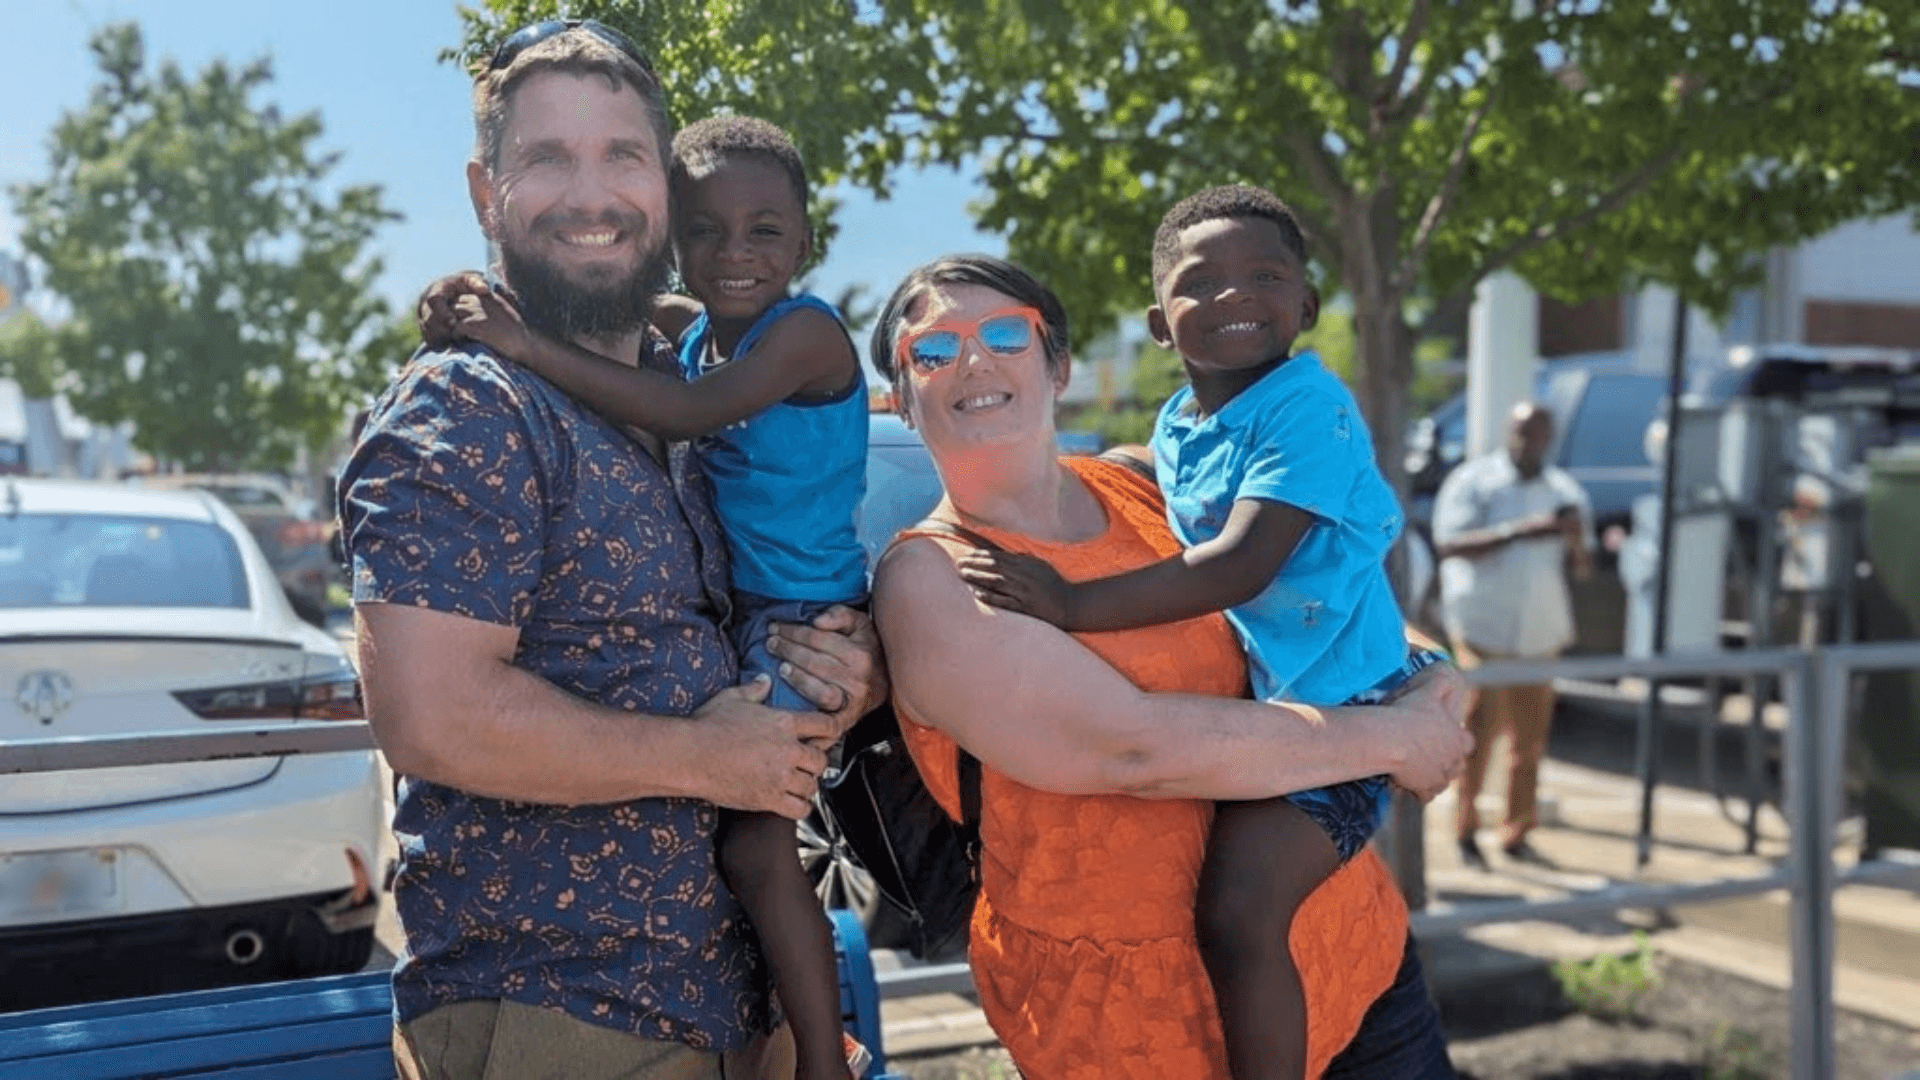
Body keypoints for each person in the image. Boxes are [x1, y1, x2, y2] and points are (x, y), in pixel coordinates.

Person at [338, 21, 882, 1080]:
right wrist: (706, 757)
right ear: (486, 195)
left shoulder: (679, 397)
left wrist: (849, 667)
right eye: (547, 158)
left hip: (740, 1008)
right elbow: (430, 717)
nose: (593, 195)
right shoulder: (465, 406)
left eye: (623, 157)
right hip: (566, 1015)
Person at [869, 254, 1475, 1079]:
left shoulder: (1144, 482)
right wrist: (1395, 737)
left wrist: (1417, 669)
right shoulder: (930, 578)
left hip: (1353, 964)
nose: (973, 359)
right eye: (933, 350)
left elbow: (1311, 589)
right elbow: (1134, 748)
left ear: (1059, 365)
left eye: (1007, 333)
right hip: (1141, 1036)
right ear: (901, 398)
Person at [1431, 401, 1593, 869]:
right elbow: (1449, 544)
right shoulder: (1474, 482)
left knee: (1530, 743)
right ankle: (1465, 832)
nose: (1530, 444)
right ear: (1508, 433)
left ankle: (1516, 832)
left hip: (1540, 633)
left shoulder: (1565, 490)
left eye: (1539, 436)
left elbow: (1582, 570)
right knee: (1477, 735)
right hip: (1484, 627)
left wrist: (1575, 537)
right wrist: (1522, 531)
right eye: (1522, 434)